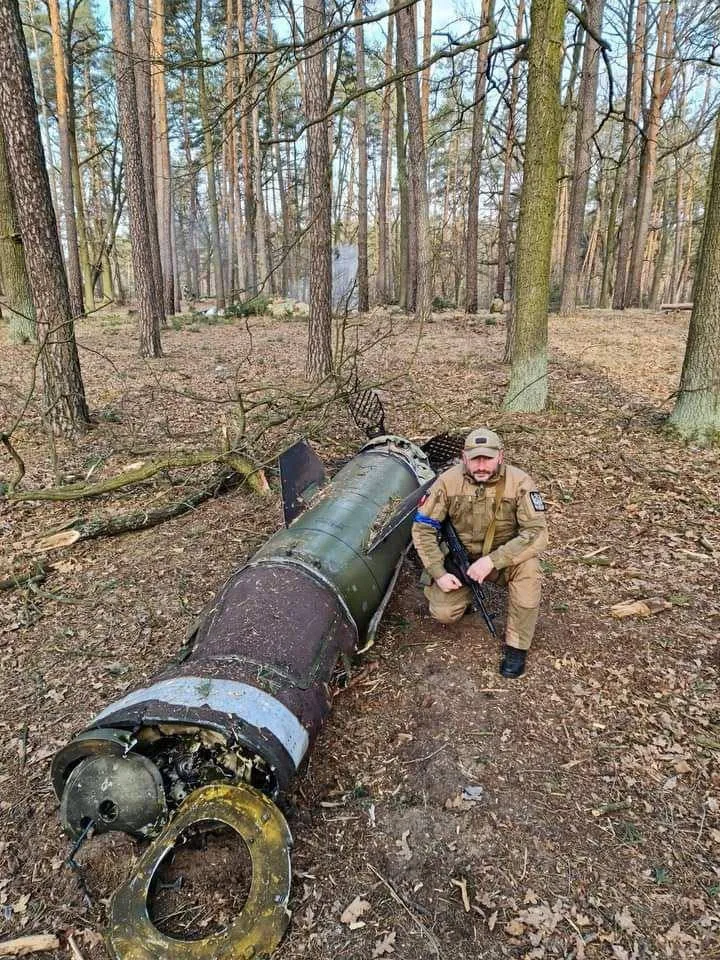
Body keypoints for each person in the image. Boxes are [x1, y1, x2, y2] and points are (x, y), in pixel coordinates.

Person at [412, 427, 548, 678]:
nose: (482, 465)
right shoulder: (447, 482)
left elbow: (536, 533)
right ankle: (463, 600)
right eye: (475, 459)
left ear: (500, 457)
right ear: (464, 457)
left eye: (487, 458)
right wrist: (439, 572)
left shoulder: (520, 482)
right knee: (443, 613)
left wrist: (493, 561)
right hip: (461, 559)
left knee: (529, 573)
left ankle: (517, 646)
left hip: (504, 559)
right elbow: (423, 529)